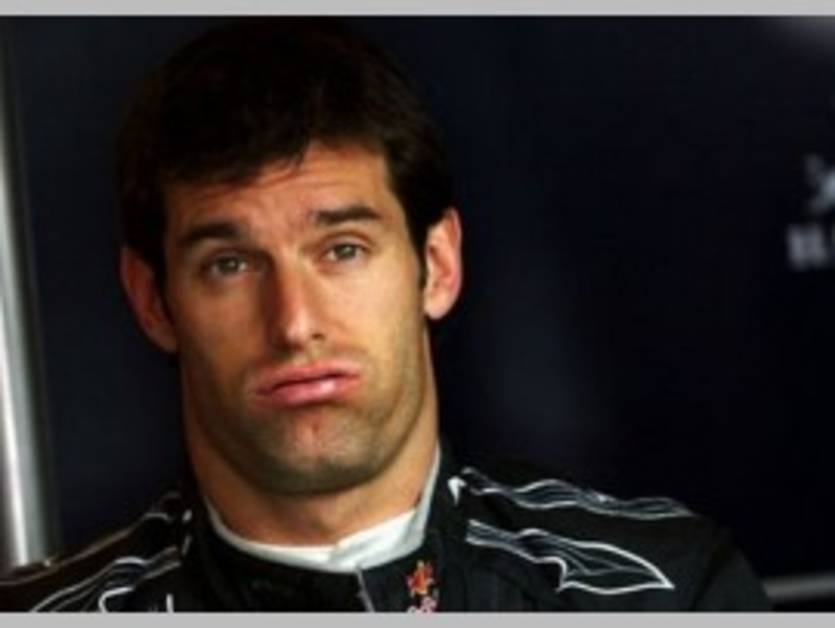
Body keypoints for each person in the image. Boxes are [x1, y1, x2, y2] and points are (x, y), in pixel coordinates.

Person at [0, 18, 770, 611]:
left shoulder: (662, 592)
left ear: (437, 266)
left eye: (342, 250)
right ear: (153, 300)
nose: (294, 322)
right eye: (230, 264)